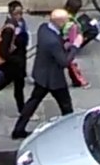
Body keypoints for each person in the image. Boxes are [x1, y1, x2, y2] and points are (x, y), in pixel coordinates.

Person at [11, 10, 75, 140]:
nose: (67, 23)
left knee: (33, 101)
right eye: (66, 20)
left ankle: (18, 129)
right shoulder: (53, 42)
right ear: (60, 22)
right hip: (54, 79)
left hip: (41, 74)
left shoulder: (43, 29)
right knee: (66, 105)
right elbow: (64, 62)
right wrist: (75, 47)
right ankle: (71, 128)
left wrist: (64, 43)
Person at [62, 0, 90, 89]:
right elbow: (71, 38)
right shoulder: (71, 23)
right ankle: (78, 81)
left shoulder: (62, 15)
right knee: (72, 65)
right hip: (67, 45)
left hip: (61, 42)